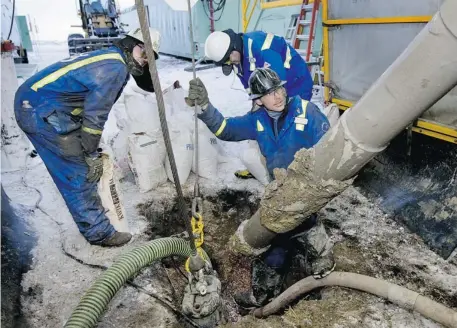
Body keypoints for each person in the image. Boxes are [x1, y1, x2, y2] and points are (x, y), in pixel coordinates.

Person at [185, 67, 335, 307]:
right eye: (269, 93)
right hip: (280, 194)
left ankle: (321, 267)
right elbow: (225, 129)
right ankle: (264, 296)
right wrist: (204, 106)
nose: (278, 96)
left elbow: (329, 147)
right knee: (276, 243)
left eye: (279, 89)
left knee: (307, 230)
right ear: (258, 100)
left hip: (307, 192)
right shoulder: (258, 119)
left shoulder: (307, 111)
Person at [14, 28, 161, 247]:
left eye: (150, 59)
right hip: (38, 109)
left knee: (81, 157)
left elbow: (90, 103)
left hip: (44, 103)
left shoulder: (113, 58)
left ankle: (96, 223)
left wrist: (89, 145)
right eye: (145, 55)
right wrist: (90, 153)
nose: (145, 62)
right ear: (133, 45)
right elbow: (96, 116)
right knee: (77, 169)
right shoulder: (115, 68)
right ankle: (99, 233)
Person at [204, 29, 314, 101]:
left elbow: (278, 89)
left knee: (294, 124)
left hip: (297, 84)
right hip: (278, 90)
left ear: (234, 48)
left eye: (228, 60)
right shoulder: (237, 59)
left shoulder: (261, 48)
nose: (230, 64)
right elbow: (250, 87)